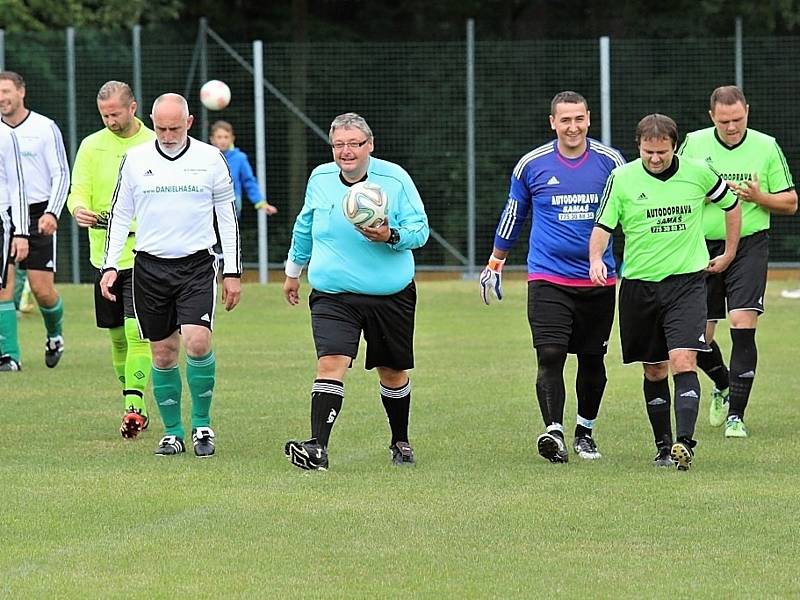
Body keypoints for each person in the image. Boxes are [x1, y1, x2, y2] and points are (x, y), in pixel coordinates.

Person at [589, 114, 741, 470]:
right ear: (638, 147)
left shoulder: (698, 172)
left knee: (684, 360)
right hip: (639, 287)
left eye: (662, 152)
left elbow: (731, 205)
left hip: (687, 283)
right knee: (654, 370)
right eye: (648, 152)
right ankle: (663, 446)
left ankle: (685, 442)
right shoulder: (622, 178)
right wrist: (596, 258)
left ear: (674, 146)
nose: (655, 159)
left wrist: (730, 252)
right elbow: (603, 224)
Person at [480, 91, 625, 464]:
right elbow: (514, 213)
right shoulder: (532, 164)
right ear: (553, 123)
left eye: (578, 119)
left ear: (589, 120)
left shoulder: (611, 163)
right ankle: (554, 431)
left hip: (598, 280)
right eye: (565, 120)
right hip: (547, 276)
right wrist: (496, 261)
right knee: (550, 353)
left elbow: (631, 214)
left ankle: (585, 433)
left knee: (592, 360)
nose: (572, 126)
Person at [283, 112, 429, 471]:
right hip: (333, 294)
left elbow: (420, 230)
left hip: (389, 294)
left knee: (391, 372)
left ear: (370, 145)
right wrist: (293, 270)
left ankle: (400, 441)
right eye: (339, 144)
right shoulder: (320, 178)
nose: (346, 151)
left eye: (354, 144)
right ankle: (317, 448)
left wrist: (390, 235)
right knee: (331, 362)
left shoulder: (394, 179)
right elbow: (305, 224)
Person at [99, 93, 241, 458]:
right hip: (149, 267)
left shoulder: (211, 159)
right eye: (160, 127)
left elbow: (227, 216)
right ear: (152, 121)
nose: (166, 134)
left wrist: (233, 271)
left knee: (197, 342)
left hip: (196, 265)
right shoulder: (135, 159)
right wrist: (110, 265)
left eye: (174, 127)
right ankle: (173, 433)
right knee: (162, 355)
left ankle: (202, 426)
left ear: (189, 122)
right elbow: (119, 214)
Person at [678, 85, 798, 438]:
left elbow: (790, 202)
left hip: (749, 244)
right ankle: (723, 383)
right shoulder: (695, 145)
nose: (732, 127)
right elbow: (677, 187)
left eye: (738, 119)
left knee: (743, 322)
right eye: (725, 121)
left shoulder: (766, 146)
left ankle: (736, 416)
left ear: (747, 110)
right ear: (711, 116)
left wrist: (760, 197)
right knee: (697, 338)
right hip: (702, 246)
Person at [67, 81, 156, 438]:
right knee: (117, 336)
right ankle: (136, 402)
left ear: (132, 108)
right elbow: (78, 192)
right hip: (103, 256)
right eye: (104, 115)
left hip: (143, 254)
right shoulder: (91, 145)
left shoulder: (152, 144)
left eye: (115, 114)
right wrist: (79, 210)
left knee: (137, 331)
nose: (110, 121)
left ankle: (132, 406)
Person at [0, 71, 70, 370]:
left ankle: (54, 334)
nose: (2, 98)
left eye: (6, 91)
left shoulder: (44, 128)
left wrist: (52, 212)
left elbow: (61, 174)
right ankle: (10, 356)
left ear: (21, 92)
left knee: (42, 290)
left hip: (38, 213)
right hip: (4, 215)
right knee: (4, 286)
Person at [0, 127, 29, 371]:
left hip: (1, 218)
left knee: (2, 286)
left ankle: (9, 355)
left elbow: (18, 185)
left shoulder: (5, 135)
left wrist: (21, 232)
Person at [209, 120, 277, 218]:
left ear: (232, 139)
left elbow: (249, 181)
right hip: (209, 203)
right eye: (219, 137)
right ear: (212, 139)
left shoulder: (240, 158)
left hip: (232, 204)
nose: (223, 140)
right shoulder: (206, 158)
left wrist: (261, 202)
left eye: (226, 137)